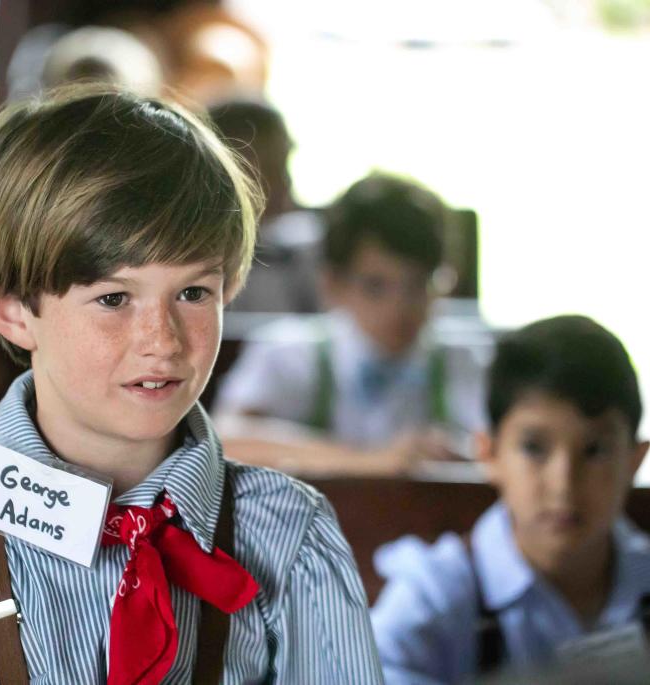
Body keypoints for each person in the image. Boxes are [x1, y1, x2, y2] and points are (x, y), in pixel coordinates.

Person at [0, 84, 382, 684]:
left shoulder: (291, 539)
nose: (161, 339)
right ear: (12, 311)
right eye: (113, 298)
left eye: (194, 293)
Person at [371, 315, 650, 683]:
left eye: (595, 450)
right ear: (489, 453)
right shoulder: (434, 598)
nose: (563, 483)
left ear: (634, 459)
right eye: (534, 448)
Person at [213, 173, 487, 477]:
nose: (399, 307)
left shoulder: (464, 361)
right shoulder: (288, 353)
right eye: (375, 286)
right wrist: (373, 461)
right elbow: (225, 442)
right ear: (332, 284)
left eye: (418, 285)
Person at [208, 97, 324, 313]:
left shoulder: (297, 254)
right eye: (270, 168)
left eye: (284, 165)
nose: (285, 181)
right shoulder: (191, 263)